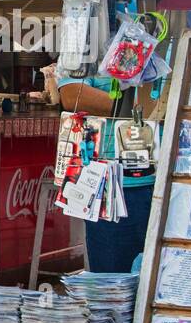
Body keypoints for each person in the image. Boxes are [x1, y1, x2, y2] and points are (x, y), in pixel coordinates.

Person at [42, 63, 157, 273]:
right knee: (113, 283)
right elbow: (72, 96)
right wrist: (140, 105)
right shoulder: (87, 41)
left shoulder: (162, 35)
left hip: (165, 179)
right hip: (113, 185)